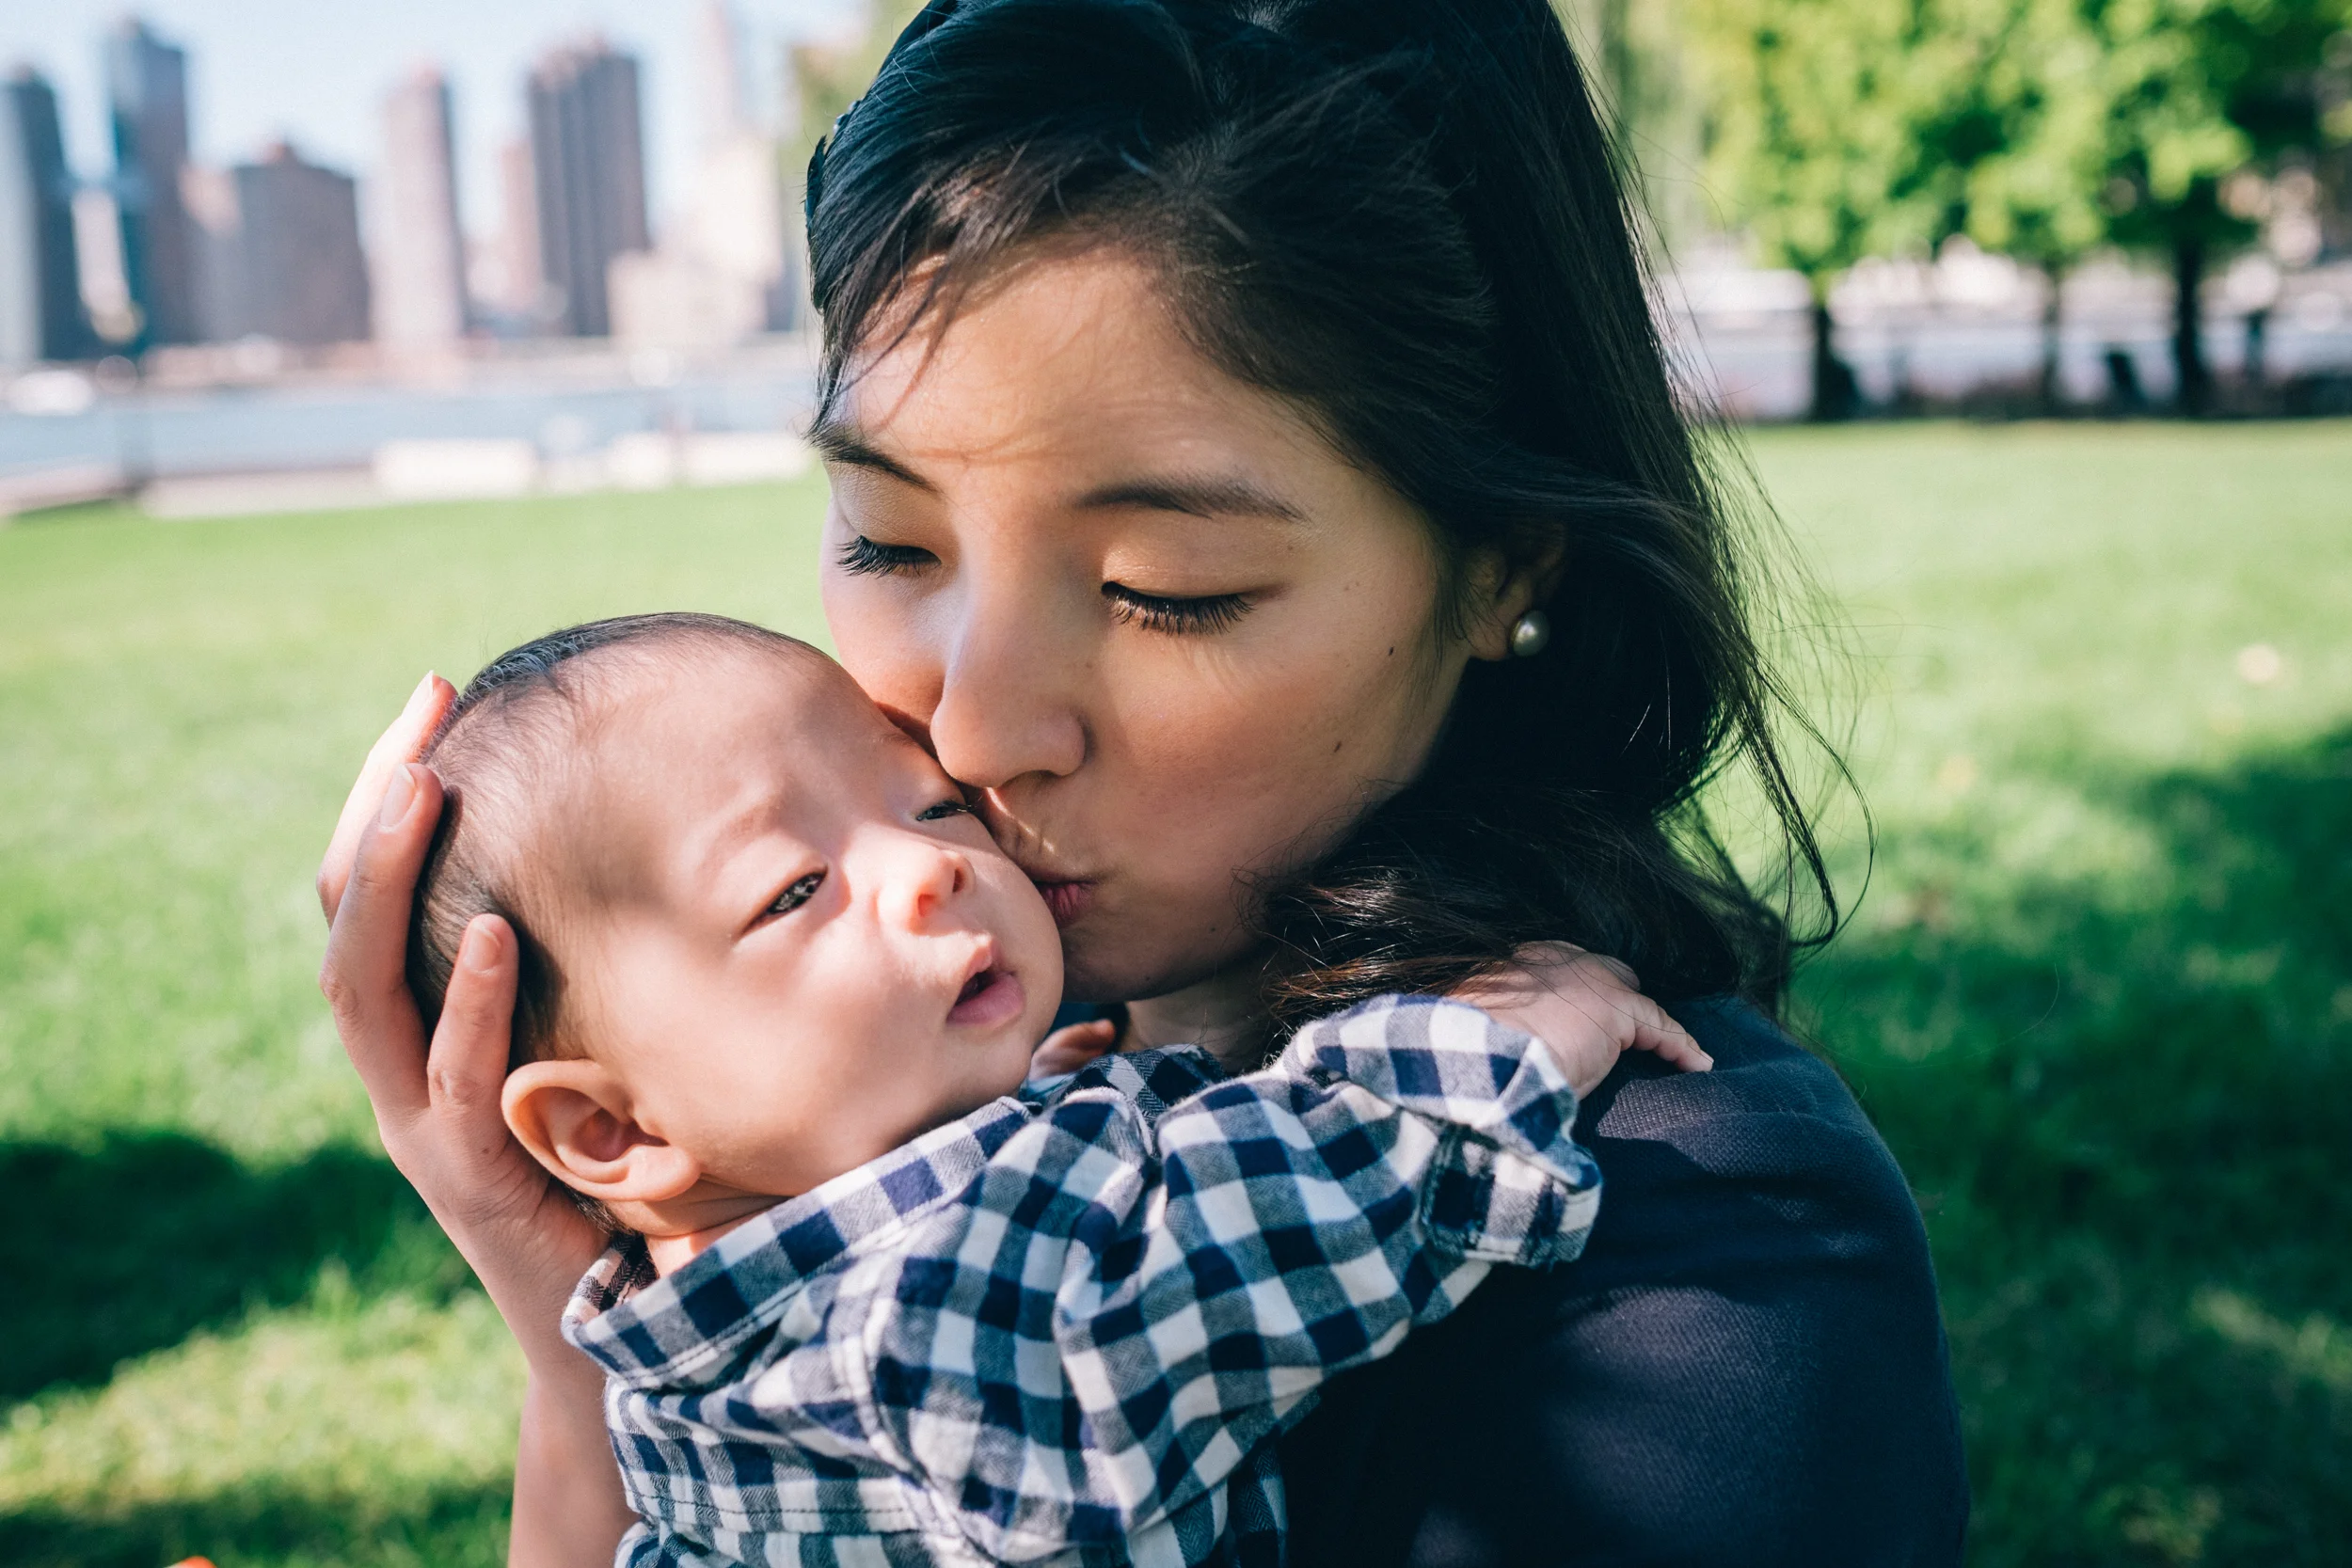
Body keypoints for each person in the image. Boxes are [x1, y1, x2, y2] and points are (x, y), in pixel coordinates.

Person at [318, 0, 1968, 1561]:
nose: (972, 731)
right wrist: (572, 1324)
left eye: (1165, 588)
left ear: (1503, 568)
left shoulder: (1696, 1249)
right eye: (889, 540)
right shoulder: (920, 1110)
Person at [401, 610, 1703, 1566]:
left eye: (929, 806)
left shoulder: (738, 1327)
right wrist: (1470, 1063)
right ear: (609, 1128)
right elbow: (1203, 1275)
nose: (930, 867)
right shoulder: (875, 1341)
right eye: (793, 890)